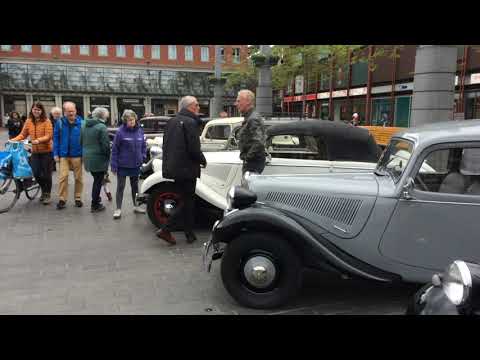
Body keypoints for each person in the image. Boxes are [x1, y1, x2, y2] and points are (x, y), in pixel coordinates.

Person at [156, 96, 207, 245]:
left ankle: (189, 233)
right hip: (187, 168)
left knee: (184, 200)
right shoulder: (190, 122)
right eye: (197, 105)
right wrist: (202, 160)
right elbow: (194, 148)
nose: (199, 108)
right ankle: (166, 229)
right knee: (187, 202)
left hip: (174, 167)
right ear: (190, 106)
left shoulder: (172, 121)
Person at [11, 102, 53, 204]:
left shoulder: (46, 121)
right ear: (32, 110)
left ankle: (47, 194)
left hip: (46, 151)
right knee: (36, 173)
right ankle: (44, 190)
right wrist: (12, 140)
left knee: (47, 175)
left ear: (42, 111)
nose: (36, 111)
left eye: (38, 110)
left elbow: (48, 135)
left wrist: (38, 140)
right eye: (34, 109)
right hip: (35, 151)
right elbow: (23, 135)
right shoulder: (29, 121)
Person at [110, 109, 147, 219]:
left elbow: (144, 146)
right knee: (120, 187)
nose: (131, 122)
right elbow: (115, 149)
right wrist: (113, 166)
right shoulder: (120, 132)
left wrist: (143, 156)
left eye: (133, 119)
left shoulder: (140, 131)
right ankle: (118, 209)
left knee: (135, 187)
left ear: (135, 119)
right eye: (129, 120)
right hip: (123, 165)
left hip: (136, 165)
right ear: (125, 121)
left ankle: (136, 206)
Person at [53, 101, 84, 210]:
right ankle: (62, 199)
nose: (71, 113)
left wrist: (84, 154)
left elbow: (85, 140)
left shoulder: (82, 123)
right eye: (68, 111)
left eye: (73, 111)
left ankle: (78, 198)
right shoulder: (60, 123)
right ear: (64, 112)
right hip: (64, 155)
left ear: (75, 110)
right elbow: (56, 139)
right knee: (63, 177)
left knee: (78, 178)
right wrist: (55, 153)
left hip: (77, 155)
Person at [82, 107, 111, 213]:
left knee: (96, 179)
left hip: (87, 157)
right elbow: (105, 145)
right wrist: (108, 156)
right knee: (98, 181)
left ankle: (96, 198)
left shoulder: (84, 125)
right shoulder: (101, 127)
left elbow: (81, 141)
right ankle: (95, 204)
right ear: (103, 116)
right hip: (98, 158)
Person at [235, 90, 267, 175]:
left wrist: (247, 158)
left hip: (253, 164)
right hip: (253, 163)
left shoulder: (253, 118)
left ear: (248, 101)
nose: (236, 104)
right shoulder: (250, 117)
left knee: (248, 187)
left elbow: (259, 142)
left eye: (239, 101)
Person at [49, 107, 62, 171]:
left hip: (59, 140)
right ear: (52, 114)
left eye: (58, 114)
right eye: (56, 113)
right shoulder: (49, 121)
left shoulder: (61, 121)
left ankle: (54, 166)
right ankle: (52, 166)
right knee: (52, 153)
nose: (57, 115)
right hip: (51, 139)